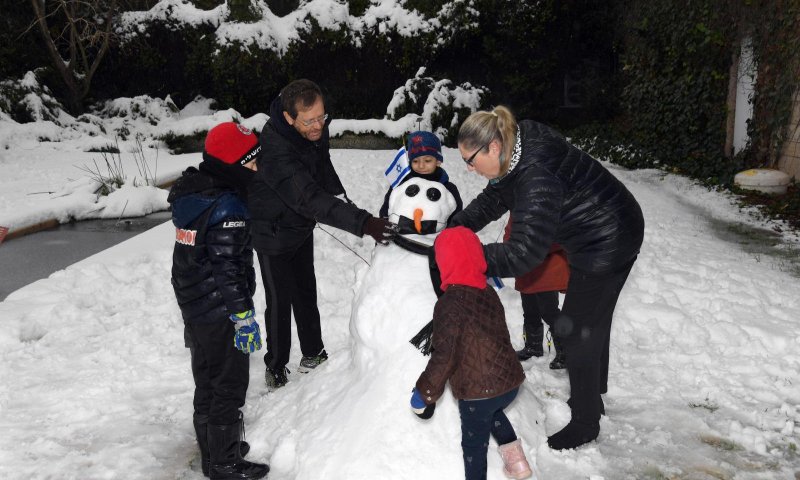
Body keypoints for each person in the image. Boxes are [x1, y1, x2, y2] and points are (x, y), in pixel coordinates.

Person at [450, 106, 645, 451]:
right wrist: (457, 228)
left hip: (607, 238)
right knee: (592, 320)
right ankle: (594, 396)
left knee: (577, 329)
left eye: (470, 159)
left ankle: (586, 423)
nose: (468, 167)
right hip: (608, 222)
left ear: (493, 147)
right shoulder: (517, 143)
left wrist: (469, 256)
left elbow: (525, 253)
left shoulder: (535, 176)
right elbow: (498, 195)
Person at [248, 79, 396, 390]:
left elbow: (321, 164)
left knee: (305, 289)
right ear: (289, 118)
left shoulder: (314, 128)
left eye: (322, 117)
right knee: (279, 300)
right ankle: (275, 366)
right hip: (272, 229)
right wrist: (363, 222)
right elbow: (309, 197)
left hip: (300, 222)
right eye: (310, 120)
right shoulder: (276, 149)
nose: (319, 126)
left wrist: (340, 196)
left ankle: (313, 353)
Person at [169, 122, 269, 479]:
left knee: (207, 381)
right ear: (231, 165)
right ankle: (225, 464)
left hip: (195, 307)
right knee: (228, 385)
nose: (256, 169)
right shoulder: (228, 208)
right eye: (250, 163)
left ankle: (213, 449)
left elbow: (187, 261)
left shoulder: (193, 195)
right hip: (221, 311)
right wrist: (243, 317)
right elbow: (228, 271)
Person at [411, 226, 532, 480]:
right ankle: (517, 463)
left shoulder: (449, 304)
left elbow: (445, 354)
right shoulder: (487, 291)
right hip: (509, 383)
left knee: (474, 446)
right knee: (494, 413)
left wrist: (425, 392)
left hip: (478, 393)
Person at [502, 219, 569, 368]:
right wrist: (512, 248)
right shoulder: (518, 208)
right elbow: (509, 233)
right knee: (530, 309)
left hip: (547, 268)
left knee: (549, 311)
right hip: (526, 268)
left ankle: (566, 351)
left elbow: (558, 238)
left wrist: (530, 247)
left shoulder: (550, 207)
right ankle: (533, 347)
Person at [379, 130, 463, 222]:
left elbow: (456, 217)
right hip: (402, 233)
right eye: (415, 161)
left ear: (438, 161)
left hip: (436, 235)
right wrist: (385, 220)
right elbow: (388, 206)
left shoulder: (448, 188)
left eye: (427, 161)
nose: (421, 166)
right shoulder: (402, 182)